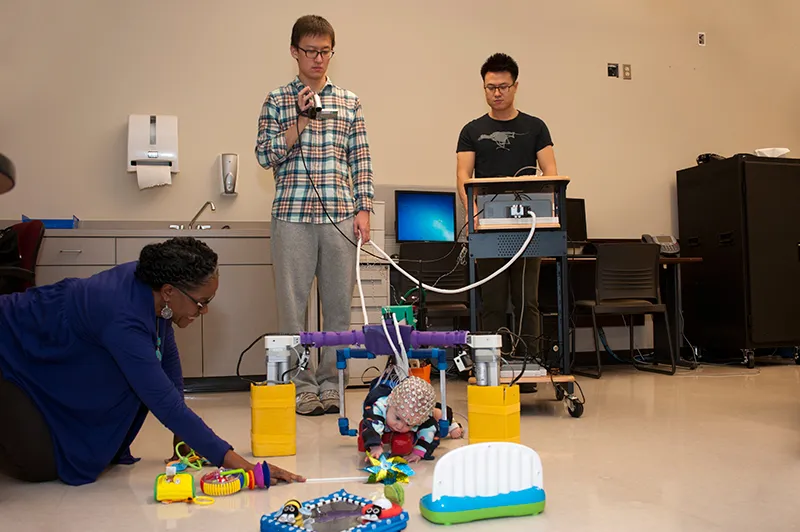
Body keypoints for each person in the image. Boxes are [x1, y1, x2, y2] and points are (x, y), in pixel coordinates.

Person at [0, 236, 305, 486]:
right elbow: (162, 400)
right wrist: (243, 466)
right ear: (170, 292)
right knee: (39, 466)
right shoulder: (122, 316)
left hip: (45, 348)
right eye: (202, 303)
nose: (204, 312)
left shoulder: (155, 292)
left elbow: (167, 363)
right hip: (10, 344)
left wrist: (182, 442)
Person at [255, 14, 375, 416]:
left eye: (325, 51)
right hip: (292, 214)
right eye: (311, 51)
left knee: (338, 307)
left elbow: (360, 159)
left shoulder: (349, 101)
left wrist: (364, 209)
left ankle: (331, 383)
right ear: (294, 52)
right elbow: (263, 155)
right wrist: (299, 122)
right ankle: (300, 386)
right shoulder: (276, 100)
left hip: (340, 214)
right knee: (292, 307)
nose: (319, 59)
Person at [455, 53, 558, 386]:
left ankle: (530, 368)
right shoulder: (472, 130)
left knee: (527, 299)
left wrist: (545, 209)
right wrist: (472, 216)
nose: (496, 93)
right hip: (488, 228)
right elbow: (463, 176)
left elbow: (551, 172)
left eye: (502, 86)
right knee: (493, 301)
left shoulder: (535, 127)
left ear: (515, 86)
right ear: (483, 88)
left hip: (529, 228)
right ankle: (490, 367)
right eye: (490, 87)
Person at [359, 376, 441, 463]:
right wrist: (375, 445)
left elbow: (429, 431)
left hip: (423, 410)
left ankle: (451, 423)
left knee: (438, 415)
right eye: (397, 418)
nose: (400, 426)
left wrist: (418, 452)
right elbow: (372, 424)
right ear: (390, 402)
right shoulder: (379, 407)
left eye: (408, 424)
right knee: (368, 422)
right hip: (388, 398)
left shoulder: (418, 416)